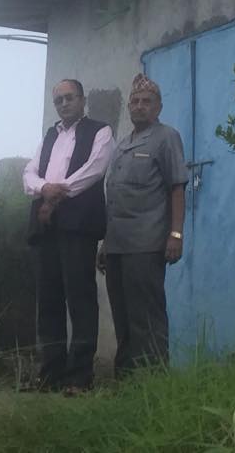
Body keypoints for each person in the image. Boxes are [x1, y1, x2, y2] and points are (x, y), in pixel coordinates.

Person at [23, 78, 114, 392]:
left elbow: (93, 170)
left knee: (80, 299)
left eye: (70, 97)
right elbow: (29, 173)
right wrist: (44, 188)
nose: (64, 104)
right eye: (59, 100)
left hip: (78, 227)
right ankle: (50, 373)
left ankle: (79, 376)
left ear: (82, 99)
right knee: (48, 301)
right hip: (45, 228)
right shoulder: (50, 136)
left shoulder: (101, 131)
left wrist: (53, 195)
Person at [99, 73, 187, 375]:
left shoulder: (166, 138)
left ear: (158, 107)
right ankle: (126, 381)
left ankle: (153, 381)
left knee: (146, 317)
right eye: (134, 101)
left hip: (146, 244)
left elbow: (177, 187)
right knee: (122, 316)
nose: (139, 106)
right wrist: (105, 243)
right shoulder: (123, 145)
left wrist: (176, 234)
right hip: (117, 245)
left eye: (146, 101)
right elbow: (115, 198)